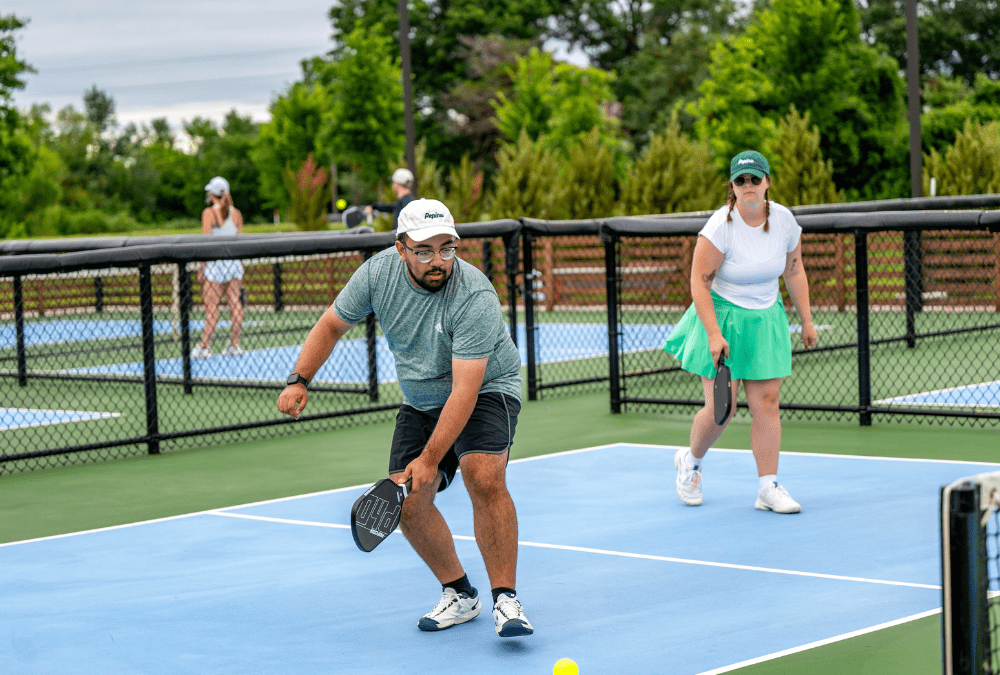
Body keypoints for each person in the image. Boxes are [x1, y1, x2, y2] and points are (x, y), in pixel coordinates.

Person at [276, 198, 533, 638]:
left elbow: (466, 391)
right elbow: (331, 324)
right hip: (420, 398)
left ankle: (505, 599)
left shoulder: (474, 294)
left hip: (488, 388)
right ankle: (460, 594)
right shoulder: (376, 275)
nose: (438, 261)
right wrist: (300, 378)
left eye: (446, 248)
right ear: (401, 249)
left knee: (483, 475)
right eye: (425, 250)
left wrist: (432, 458)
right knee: (409, 501)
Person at [663, 150, 818, 514]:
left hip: (766, 317)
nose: (748, 186)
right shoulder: (720, 227)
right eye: (741, 180)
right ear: (732, 187)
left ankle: (768, 487)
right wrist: (714, 335)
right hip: (723, 316)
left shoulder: (783, 221)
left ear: (767, 182)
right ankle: (691, 462)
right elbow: (699, 281)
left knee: (767, 403)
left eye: (755, 179)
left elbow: (794, 270)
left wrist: (807, 319)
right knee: (722, 408)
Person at [191, 176, 244, 359]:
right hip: (234, 263)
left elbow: (206, 243)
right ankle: (234, 345)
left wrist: (201, 268)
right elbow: (240, 240)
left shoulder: (208, 213)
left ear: (211, 194)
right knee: (235, 304)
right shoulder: (237, 213)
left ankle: (204, 346)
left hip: (215, 265)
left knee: (212, 308)